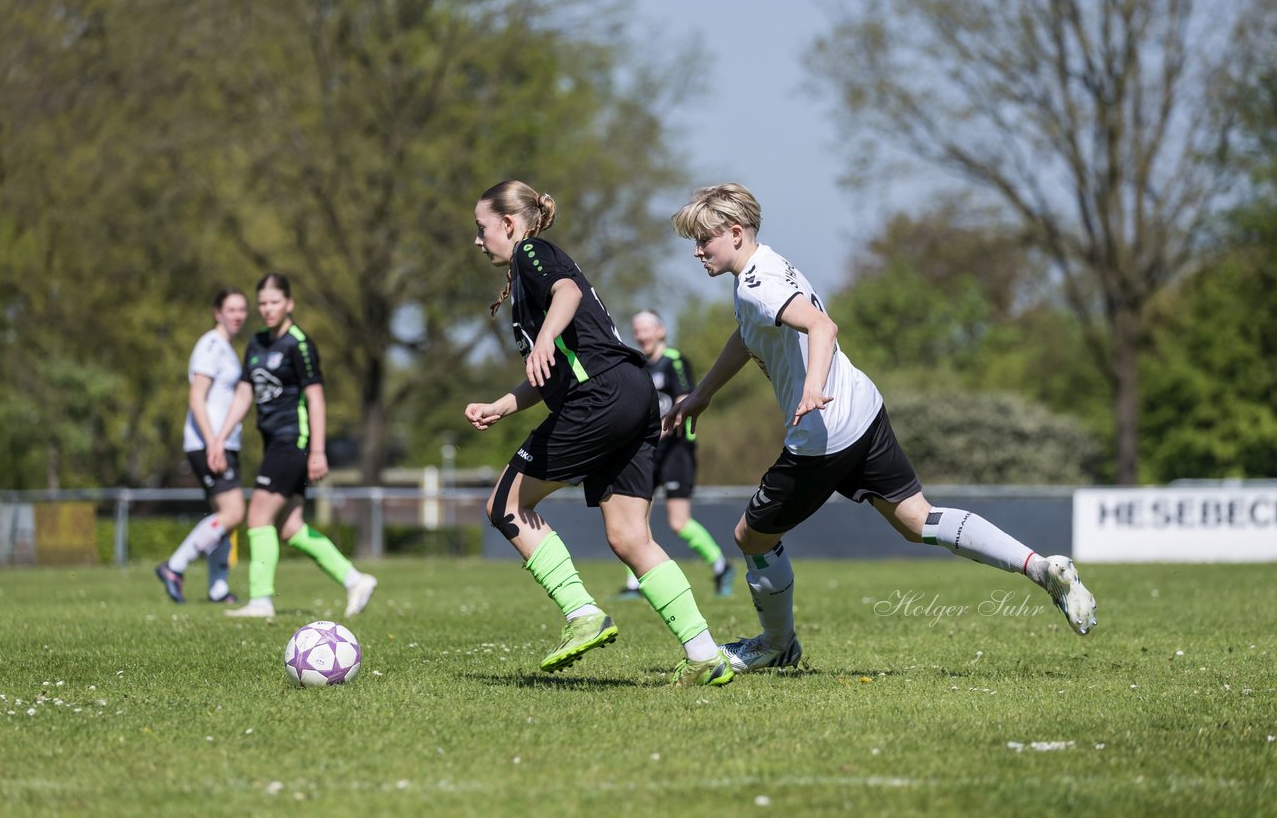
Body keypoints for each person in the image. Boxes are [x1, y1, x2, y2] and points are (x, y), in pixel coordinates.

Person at [665, 183, 1098, 674]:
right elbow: (750, 334)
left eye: (704, 240)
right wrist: (703, 392)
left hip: (822, 435)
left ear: (736, 233)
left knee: (751, 538)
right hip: (863, 410)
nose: (698, 252)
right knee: (918, 520)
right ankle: (1040, 567)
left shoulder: (757, 284)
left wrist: (811, 387)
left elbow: (823, 328)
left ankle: (777, 644)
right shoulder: (768, 267)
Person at [464, 179, 733, 687]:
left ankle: (581, 613)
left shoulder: (532, 253)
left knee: (505, 504)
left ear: (508, 223)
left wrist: (543, 337)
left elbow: (566, 294)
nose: (478, 240)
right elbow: (554, 370)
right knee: (631, 536)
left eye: (482, 229)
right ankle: (705, 655)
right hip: (630, 396)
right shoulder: (524, 278)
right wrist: (504, 405)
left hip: (601, 397)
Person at [207, 273, 378, 619]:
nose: (268, 309)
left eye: (274, 302)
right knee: (290, 527)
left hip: (293, 441)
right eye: (263, 304)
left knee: (257, 515)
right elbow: (244, 394)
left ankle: (261, 600)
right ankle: (354, 579)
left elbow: (315, 399)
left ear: (289, 304)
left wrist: (317, 450)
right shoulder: (256, 343)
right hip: (273, 442)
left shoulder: (299, 344)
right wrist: (220, 437)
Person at [617, 310, 735, 599]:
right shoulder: (639, 366)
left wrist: (658, 432)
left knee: (678, 522)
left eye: (646, 328)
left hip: (676, 450)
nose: (641, 334)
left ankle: (721, 567)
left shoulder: (675, 361)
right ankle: (636, 584)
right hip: (647, 451)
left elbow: (683, 402)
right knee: (635, 518)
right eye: (637, 330)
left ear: (661, 331)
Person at [155, 287, 249, 605]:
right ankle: (174, 566)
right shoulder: (210, 345)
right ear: (217, 312)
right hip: (207, 443)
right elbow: (197, 396)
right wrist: (213, 443)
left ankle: (218, 588)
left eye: (242, 310)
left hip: (223, 442)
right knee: (234, 512)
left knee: (224, 514)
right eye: (232, 309)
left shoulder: (227, 348)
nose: (238, 315)